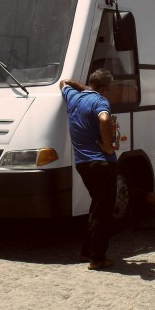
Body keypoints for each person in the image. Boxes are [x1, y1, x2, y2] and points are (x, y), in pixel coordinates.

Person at [60, 68, 118, 270]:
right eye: (107, 89)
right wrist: (108, 145)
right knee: (103, 211)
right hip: (102, 162)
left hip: (83, 163)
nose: (108, 93)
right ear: (103, 88)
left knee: (96, 207)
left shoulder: (73, 98)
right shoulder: (100, 102)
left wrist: (87, 88)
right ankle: (98, 258)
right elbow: (104, 119)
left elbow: (64, 82)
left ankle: (88, 250)